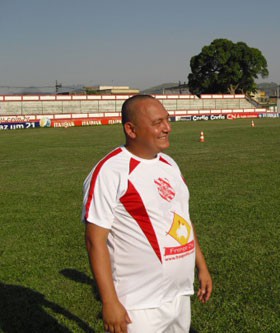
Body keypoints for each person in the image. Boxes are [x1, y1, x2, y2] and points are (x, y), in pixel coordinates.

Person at [82, 94, 212, 333]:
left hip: (179, 293)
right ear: (131, 130)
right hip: (138, 304)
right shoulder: (110, 171)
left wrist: (201, 267)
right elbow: (94, 240)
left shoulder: (169, 164)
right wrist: (110, 301)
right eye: (157, 123)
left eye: (167, 120)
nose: (167, 128)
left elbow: (183, 218)